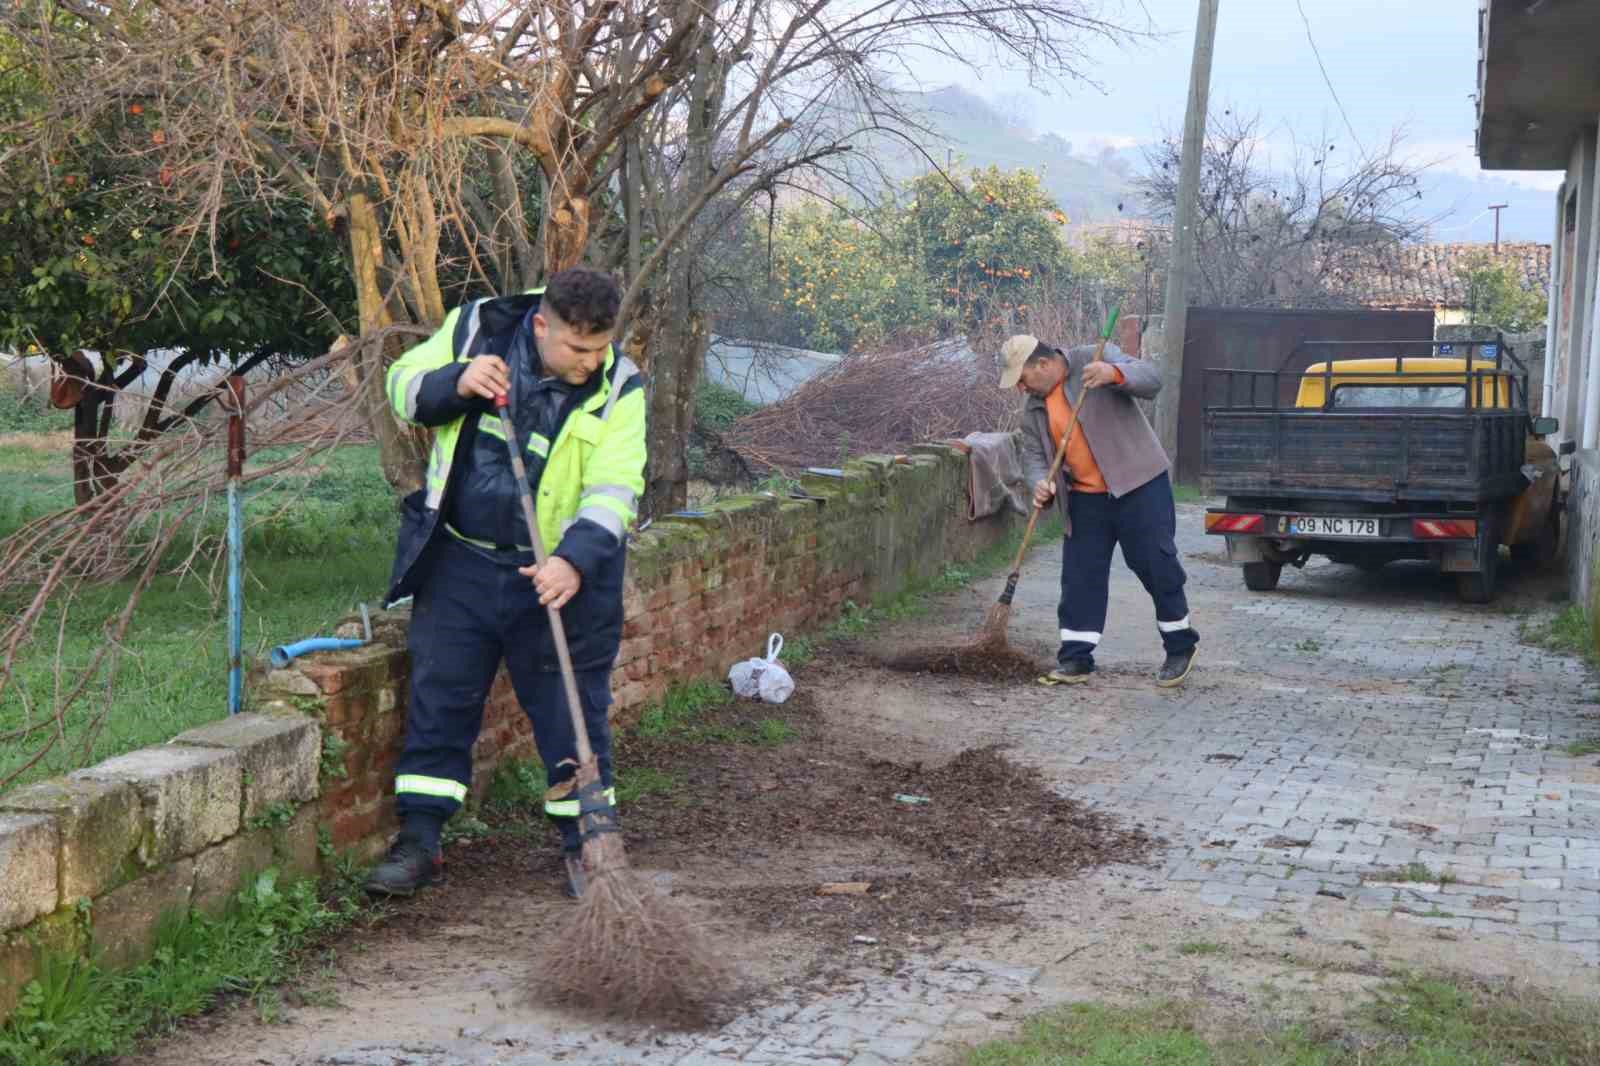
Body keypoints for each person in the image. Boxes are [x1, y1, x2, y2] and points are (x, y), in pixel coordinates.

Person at [366, 267, 646, 898]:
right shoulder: (474, 329)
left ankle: (587, 848)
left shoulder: (620, 386)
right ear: (541, 325)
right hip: (460, 561)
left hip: (557, 577)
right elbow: (401, 388)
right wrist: (456, 381)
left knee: (572, 716)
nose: (590, 361)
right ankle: (420, 843)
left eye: (600, 347)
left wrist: (572, 559)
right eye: (578, 348)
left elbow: (615, 488)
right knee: (441, 698)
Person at [999, 334, 1198, 688]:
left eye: (1023, 379)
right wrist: (1040, 483)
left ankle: (1180, 645)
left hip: (1138, 484)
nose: (1022, 389)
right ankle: (1076, 657)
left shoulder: (1093, 357)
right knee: (1080, 576)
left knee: (1156, 563)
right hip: (1085, 497)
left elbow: (1152, 379)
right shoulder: (1034, 408)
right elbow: (1032, 455)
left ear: (1042, 365)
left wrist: (1114, 372)